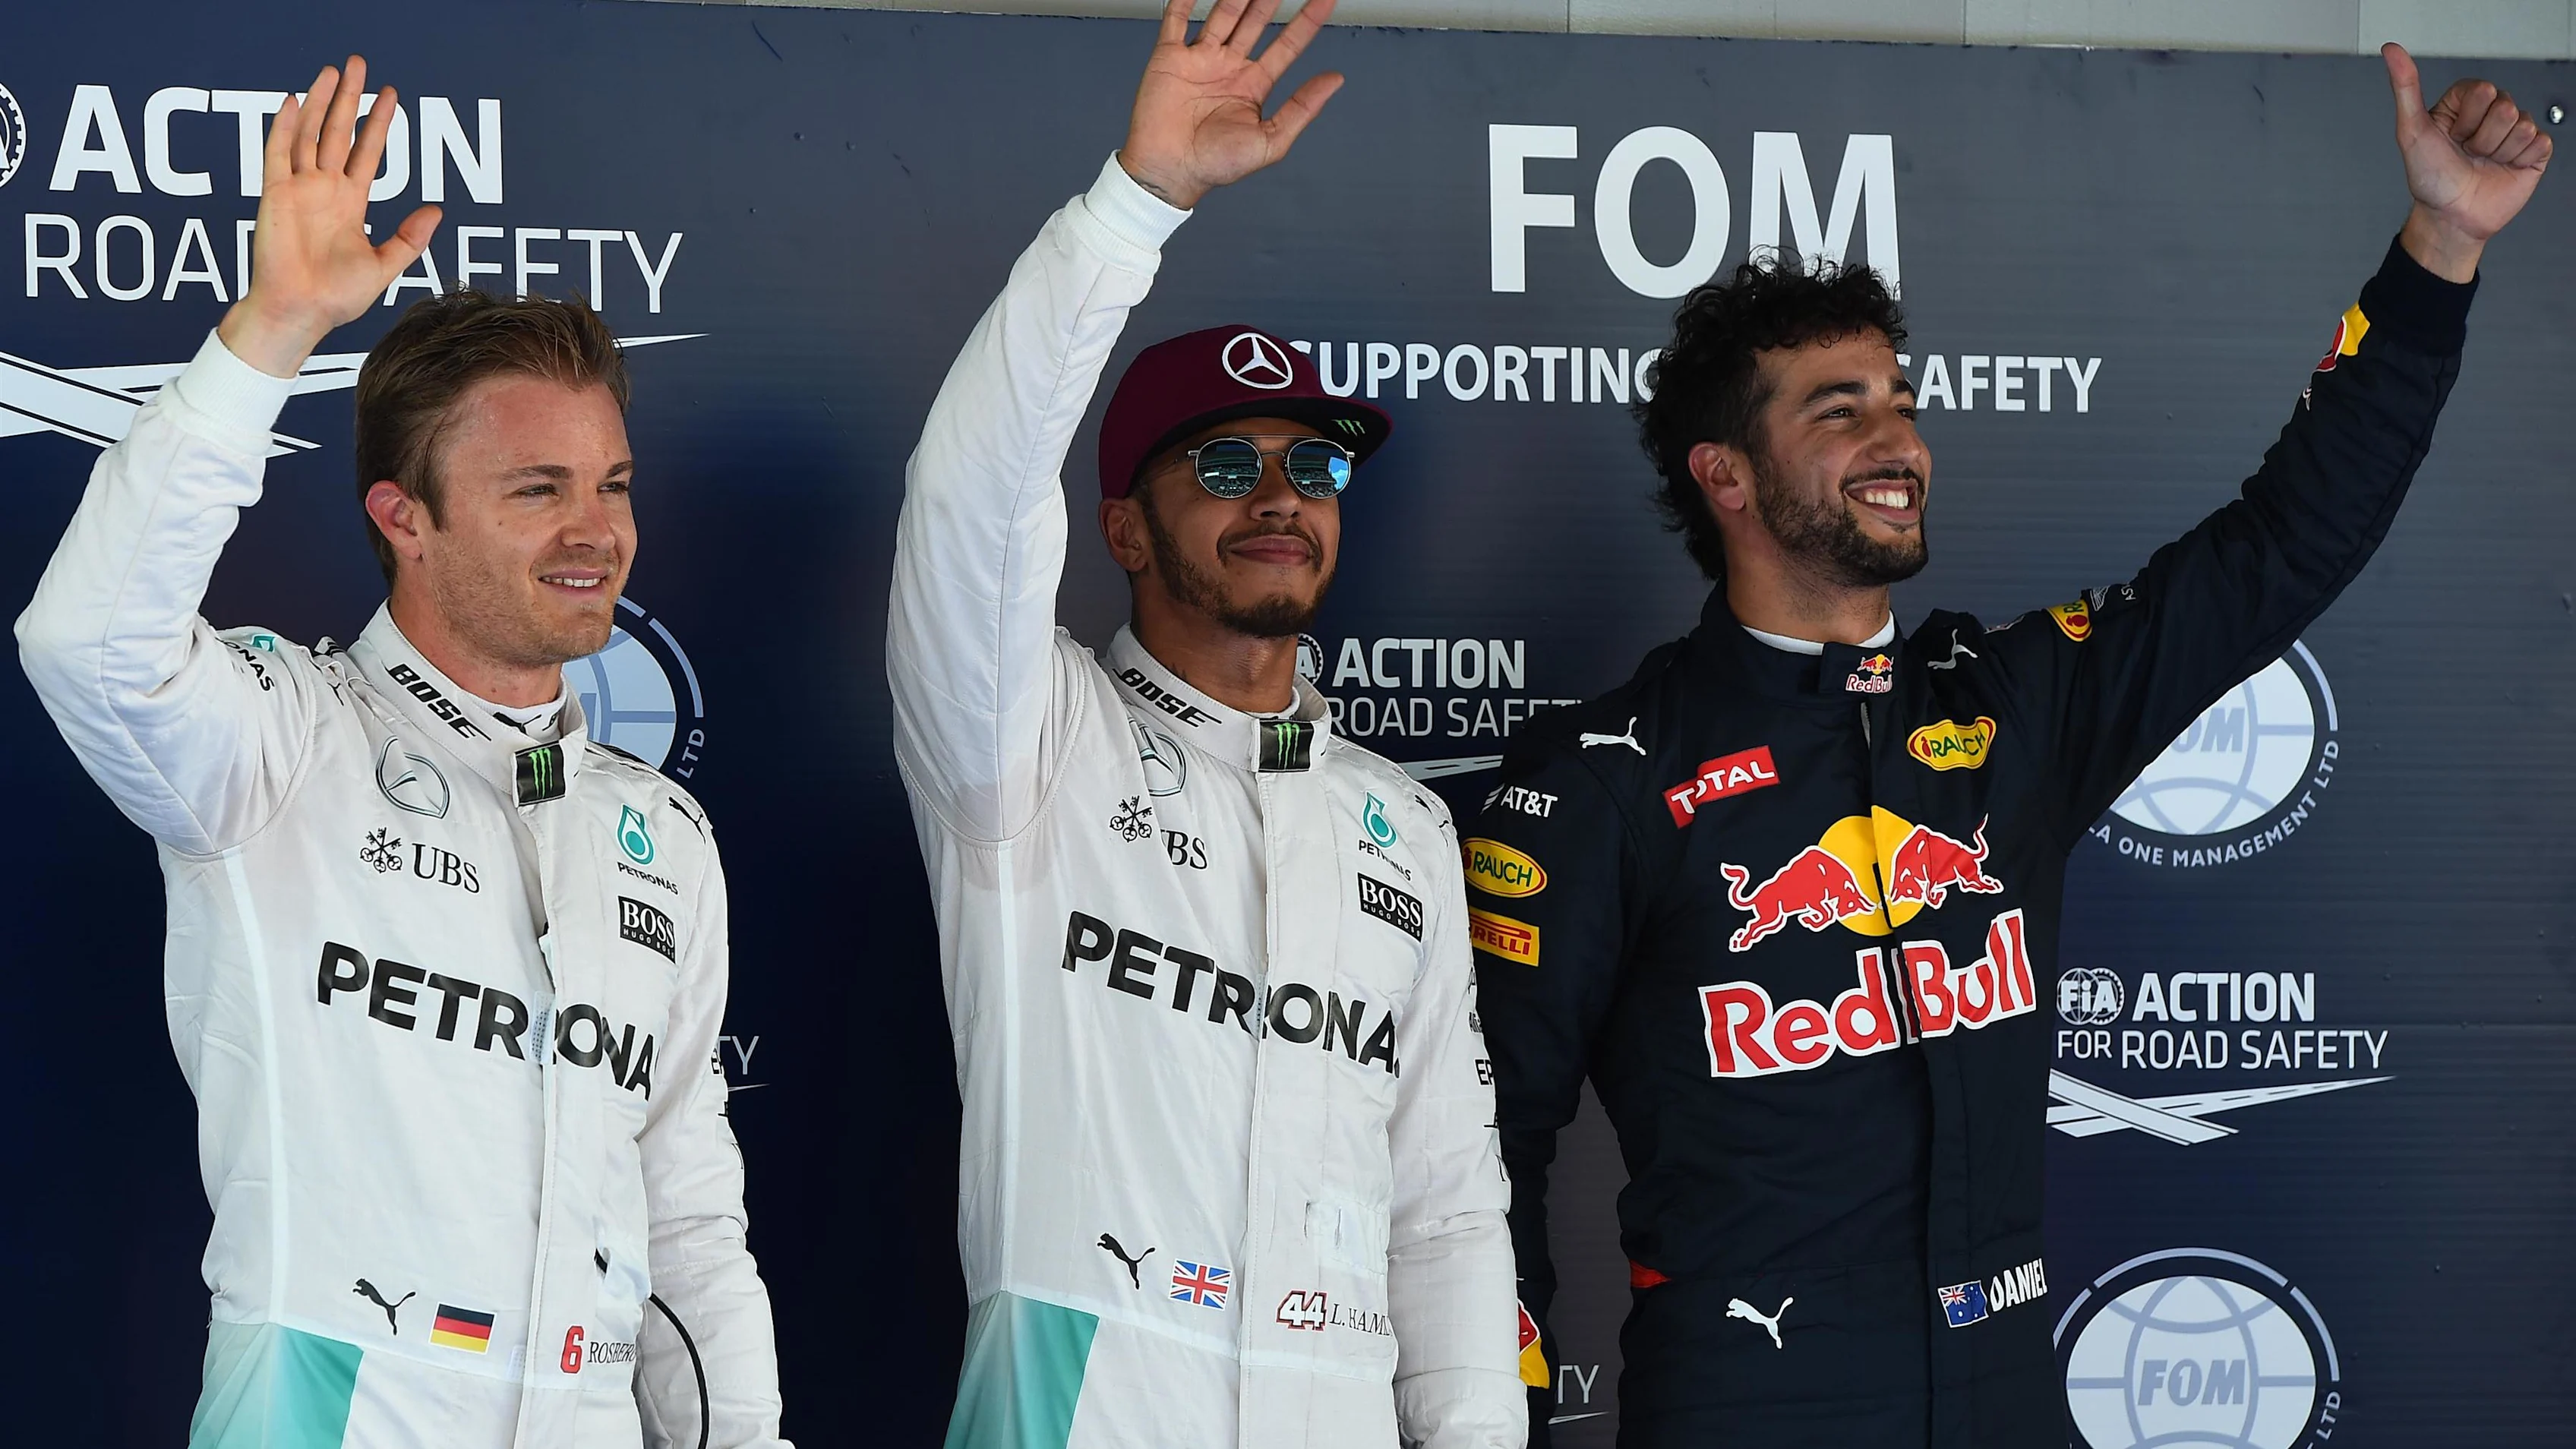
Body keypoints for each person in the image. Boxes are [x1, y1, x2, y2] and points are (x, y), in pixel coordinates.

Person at [1469, 44, 2548, 1449]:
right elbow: (1480, 1157)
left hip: (2005, 1396)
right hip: (1749, 1400)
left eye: (1901, 402)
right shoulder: (1603, 778)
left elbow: (2283, 546)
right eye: (1839, 411)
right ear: (1723, 474)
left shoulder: (2014, 702)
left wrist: (2441, 250)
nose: (1898, 440)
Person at [16, 57, 788, 1448]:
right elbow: (87, 645)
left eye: (612, 485)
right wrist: (272, 330)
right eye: (537, 489)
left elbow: (687, 1217)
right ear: (403, 518)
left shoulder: (663, 837)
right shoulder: (280, 745)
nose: (597, 531)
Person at [887, 2, 1522, 1444]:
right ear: (1122, 527)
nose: (1281, 499)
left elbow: (1444, 1211)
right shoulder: (1025, 749)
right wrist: (1137, 204)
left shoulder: (1403, 825)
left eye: (1315, 470)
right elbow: (972, 500)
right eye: (1226, 467)